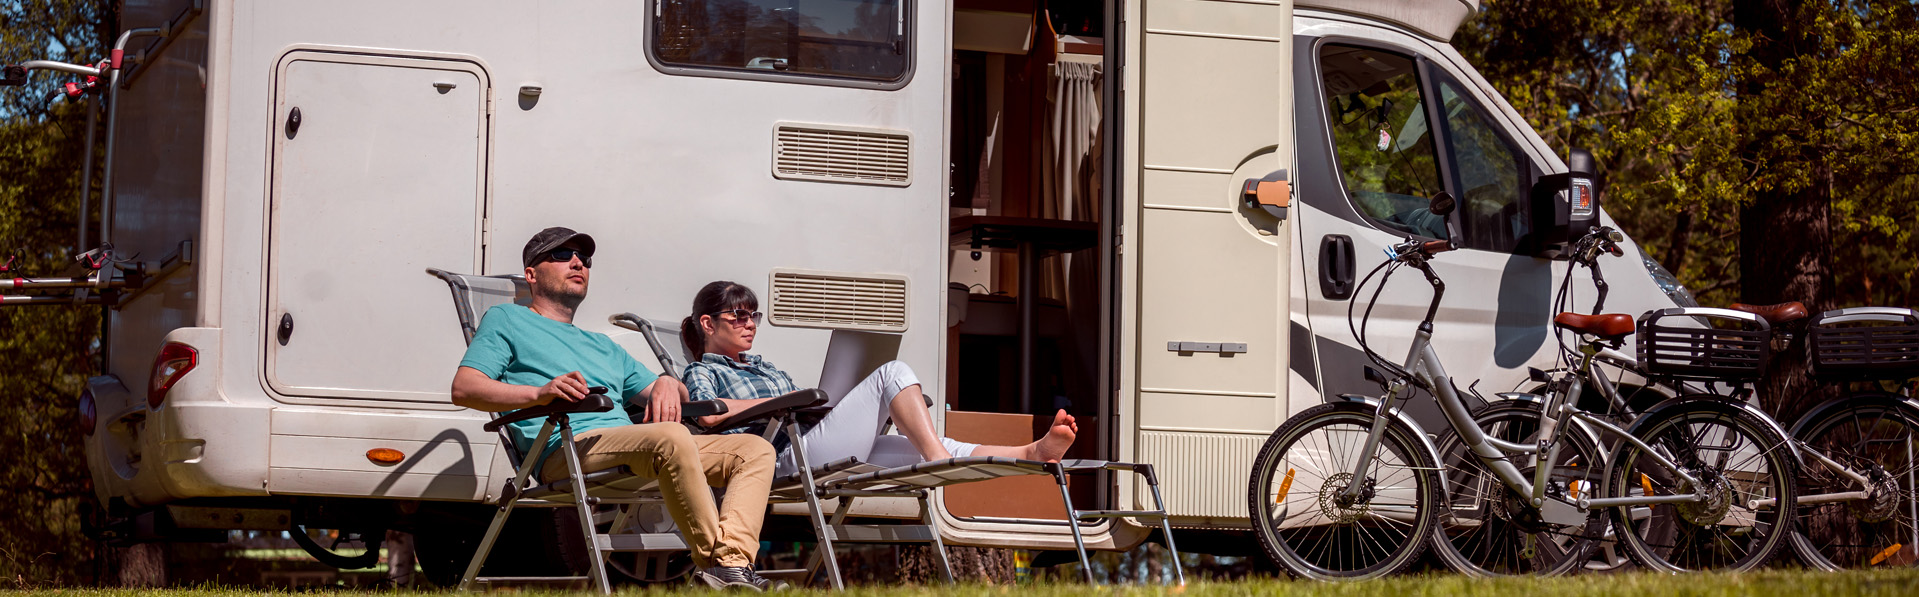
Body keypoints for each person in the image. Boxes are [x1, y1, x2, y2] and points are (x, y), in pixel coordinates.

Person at [451, 228, 781, 591]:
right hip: (566, 446)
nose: (577, 262)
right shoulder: (507, 319)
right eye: (561, 255)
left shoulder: (603, 345)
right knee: (671, 436)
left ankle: (732, 564)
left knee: (754, 450)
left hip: (630, 446)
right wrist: (539, 393)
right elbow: (465, 388)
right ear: (531, 274)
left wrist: (669, 382)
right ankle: (719, 565)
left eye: (584, 259)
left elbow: (665, 390)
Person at [678, 281, 1078, 476]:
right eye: (739, 317)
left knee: (929, 444)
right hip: (781, 459)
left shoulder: (766, 367)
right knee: (894, 374)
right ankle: (938, 460)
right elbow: (708, 417)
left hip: (810, 440)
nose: (750, 325)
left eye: (754, 316)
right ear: (709, 324)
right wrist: (775, 405)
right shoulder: (703, 369)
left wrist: (815, 403)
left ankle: (1031, 453)